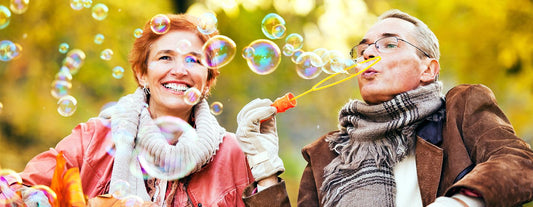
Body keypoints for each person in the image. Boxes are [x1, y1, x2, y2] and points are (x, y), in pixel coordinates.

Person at [237, 9, 533, 207]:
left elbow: (519, 162)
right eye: (363, 47)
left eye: (389, 44)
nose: (368, 52)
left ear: (428, 69)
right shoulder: (326, 153)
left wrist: (459, 202)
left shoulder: (460, 110)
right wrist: (265, 170)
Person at [2, 14, 253, 206]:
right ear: (142, 73)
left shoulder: (234, 153)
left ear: (207, 80)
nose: (180, 70)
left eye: (193, 60)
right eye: (165, 57)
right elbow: (15, 190)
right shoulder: (93, 139)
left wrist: (266, 174)